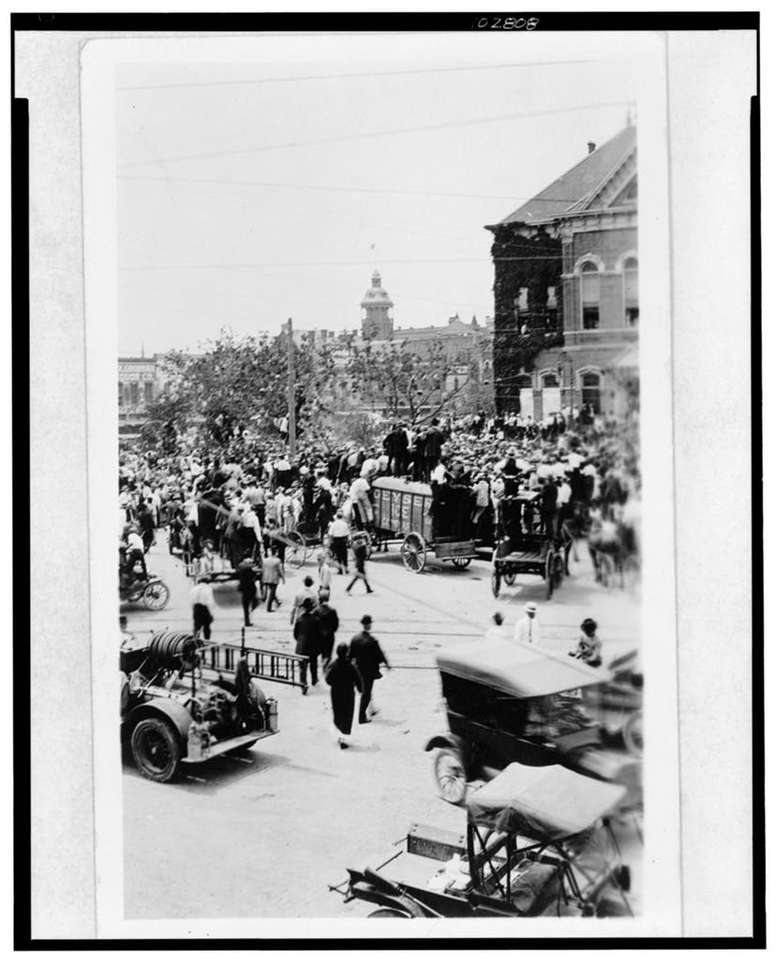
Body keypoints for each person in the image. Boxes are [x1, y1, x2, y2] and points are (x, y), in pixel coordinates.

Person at [349, 614, 390, 724]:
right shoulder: (372, 641)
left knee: (364, 691)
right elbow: (379, 655)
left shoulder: (355, 638)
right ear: (369, 625)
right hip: (369, 672)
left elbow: (350, 655)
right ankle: (361, 717)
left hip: (357, 670)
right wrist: (387, 664)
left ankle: (371, 710)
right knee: (366, 693)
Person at [325, 643, 362, 749]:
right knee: (347, 716)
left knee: (338, 714)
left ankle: (339, 735)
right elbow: (357, 679)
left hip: (336, 693)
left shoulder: (333, 665)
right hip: (348, 694)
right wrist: (360, 689)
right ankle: (343, 739)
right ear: (347, 653)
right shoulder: (351, 666)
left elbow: (328, 680)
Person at [293, 596, 321, 693]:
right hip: (313, 647)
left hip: (301, 647)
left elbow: (295, 634)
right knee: (313, 664)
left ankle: (303, 684)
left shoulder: (299, 619)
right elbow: (319, 634)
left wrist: (300, 641)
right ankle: (314, 679)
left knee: (302, 668)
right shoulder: (316, 620)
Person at [315, 589, 340, 669]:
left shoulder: (316, 611)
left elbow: (314, 624)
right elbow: (336, 624)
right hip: (330, 635)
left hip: (319, 635)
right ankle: (326, 667)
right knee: (328, 654)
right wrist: (332, 630)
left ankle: (323, 664)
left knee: (322, 652)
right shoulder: (332, 611)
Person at [236, 554, 259, 627]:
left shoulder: (240, 568)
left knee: (245, 606)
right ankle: (248, 617)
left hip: (243, 589)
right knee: (255, 602)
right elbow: (253, 578)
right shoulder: (249, 570)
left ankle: (247, 620)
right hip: (250, 589)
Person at [191, 574, 216, 640]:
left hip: (196, 608)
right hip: (204, 609)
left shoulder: (194, 589)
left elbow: (191, 601)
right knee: (206, 627)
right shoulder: (208, 589)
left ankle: (195, 641)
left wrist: (193, 610)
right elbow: (210, 602)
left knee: (196, 626)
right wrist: (211, 613)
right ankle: (207, 641)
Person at [261, 546, 285, 612]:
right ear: (276, 552)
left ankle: (277, 602)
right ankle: (268, 608)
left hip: (266, 578)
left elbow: (263, 569)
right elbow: (280, 570)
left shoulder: (265, 560)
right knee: (272, 593)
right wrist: (283, 578)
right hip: (274, 579)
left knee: (272, 591)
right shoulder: (278, 560)